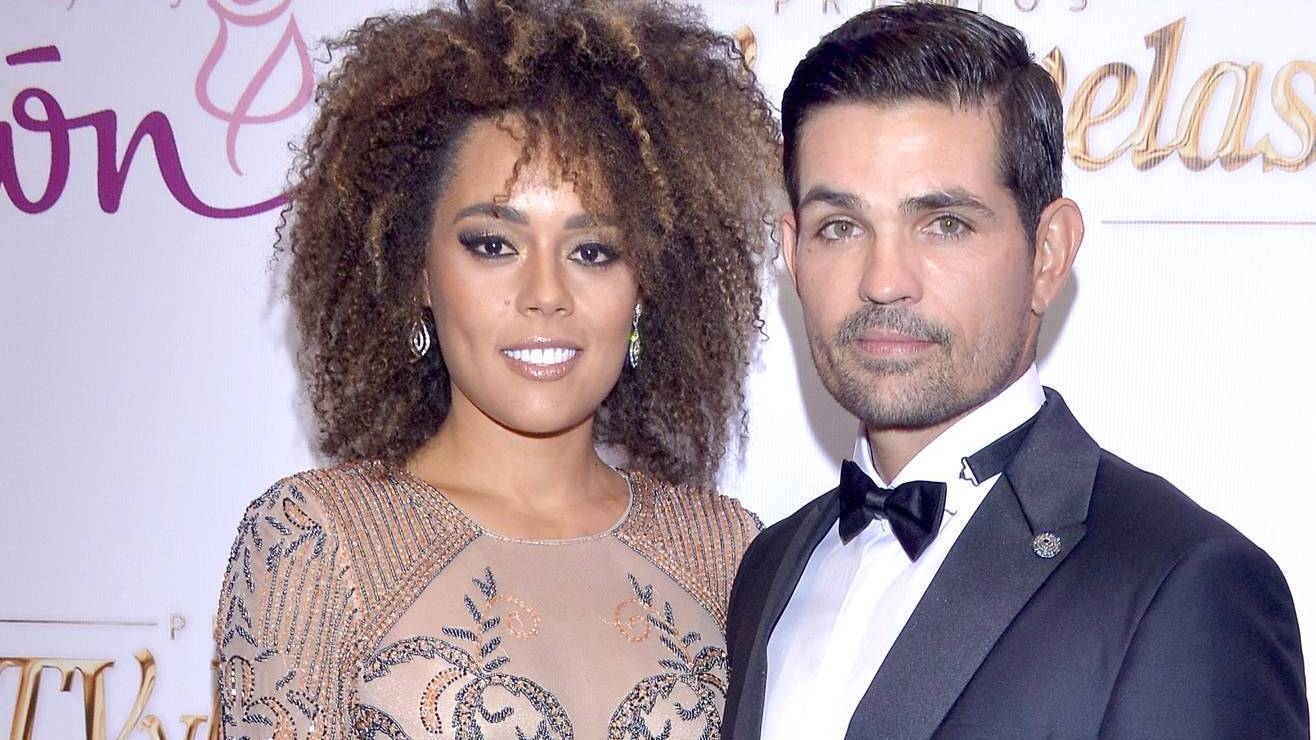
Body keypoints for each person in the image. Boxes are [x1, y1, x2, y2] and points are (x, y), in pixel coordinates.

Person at [722, 5, 1308, 739]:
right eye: (840, 227)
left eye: (945, 225)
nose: (883, 280)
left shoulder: (1184, 584)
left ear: (1049, 254)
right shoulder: (768, 568)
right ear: (792, 252)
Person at [213, 1, 779, 737]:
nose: (545, 294)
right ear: (417, 271)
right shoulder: (321, 544)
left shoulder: (725, 551)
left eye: (593, 251)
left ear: (645, 285)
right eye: (492, 245)